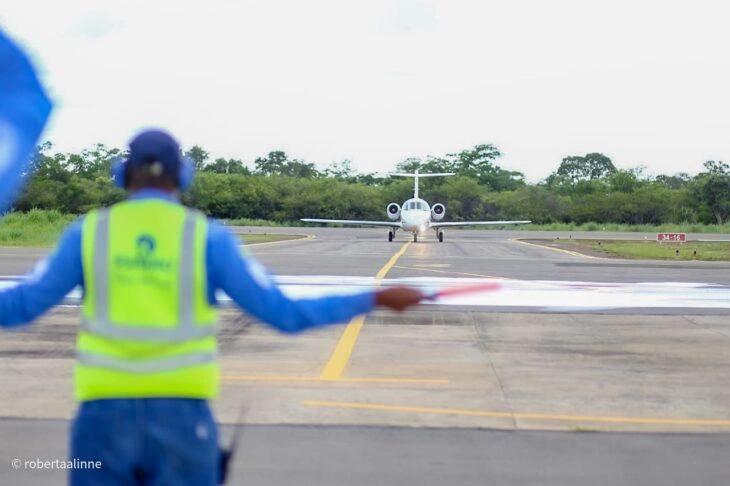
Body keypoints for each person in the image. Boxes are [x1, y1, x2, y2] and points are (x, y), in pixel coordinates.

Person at [0, 129, 424, 485]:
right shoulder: (207, 237)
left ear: (123, 174)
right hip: (182, 422)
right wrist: (375, 296)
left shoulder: (88, 234)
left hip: (103, 420)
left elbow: (21, 305)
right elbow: (285, 314)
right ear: (182, 176)